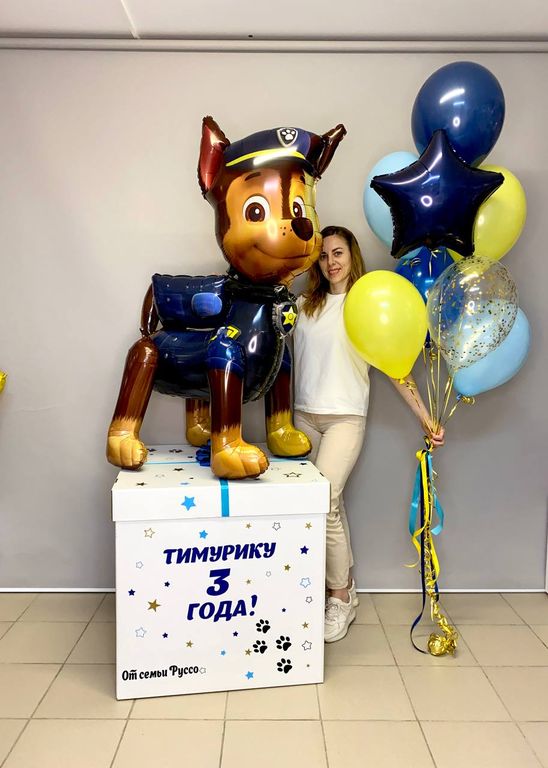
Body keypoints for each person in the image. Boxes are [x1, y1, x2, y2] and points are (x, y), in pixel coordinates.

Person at [293, 225, 444, 643]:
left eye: (338, 253)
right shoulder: (304, 305)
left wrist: (426, 417)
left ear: (352, 255)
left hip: (345, 418)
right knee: (322, 506)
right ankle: (338, 587)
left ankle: (340, 596)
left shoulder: (365, 304)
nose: (331, 262)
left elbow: (396, 368)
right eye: (323, 255)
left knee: (325, 501)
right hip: (303, 418)